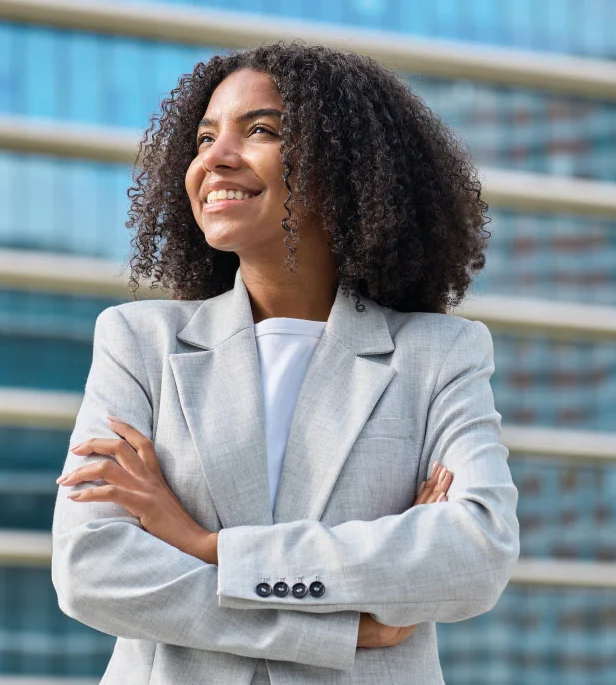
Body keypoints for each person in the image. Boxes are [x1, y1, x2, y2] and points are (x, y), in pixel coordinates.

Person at [51, 42, 519, 684]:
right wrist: (339, 629)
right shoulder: (139, 342)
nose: (214, 159)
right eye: (205, 137)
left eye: (261, 131)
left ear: (346, 165)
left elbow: (475, 554)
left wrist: (208, 548)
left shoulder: (439, 355)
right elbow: (91, 569)